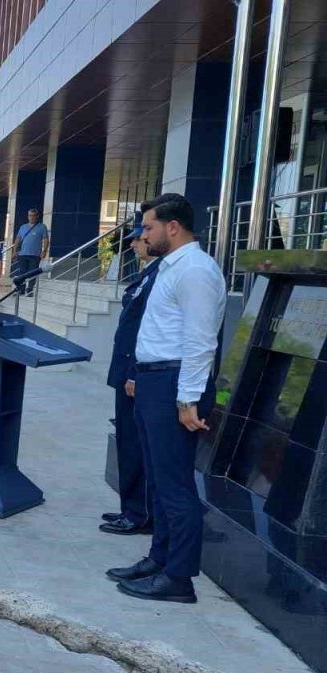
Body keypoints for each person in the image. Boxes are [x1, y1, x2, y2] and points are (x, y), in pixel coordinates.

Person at [107, 193, 225, 605]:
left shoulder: (195, 270)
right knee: (158, 480)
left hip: (176, 385)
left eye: (149, 227)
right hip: (155, 381)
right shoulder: (171, 267)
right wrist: (139, 376)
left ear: (172, 227)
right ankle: (159, 559)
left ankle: (179, 578)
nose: (143, 235)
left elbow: (200, 341)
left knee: (175, 486)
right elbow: (160, 330)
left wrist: (187, 398)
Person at [101, 220, 157, 536]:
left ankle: (140, 514)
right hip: (125, 369)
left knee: (136, 445)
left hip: (136, 372)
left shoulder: (160, 276)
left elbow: (147, 331)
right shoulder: (146, 275)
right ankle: (130, 507)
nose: (134, 244)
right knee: (126, 440)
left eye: (139, 238)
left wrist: (135, 372)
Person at [14, 208, 49, 296]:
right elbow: (18, 239)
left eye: (34, 216)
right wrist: (14, 251)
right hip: (23, 254)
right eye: (30, 216)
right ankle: (21, 290)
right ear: (28, 217)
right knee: (22, 273)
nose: (32, 217)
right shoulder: (23, 227)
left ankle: (30, 290)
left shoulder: (42, 227)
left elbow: (46, 239)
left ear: (37, 216)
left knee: (33, 273)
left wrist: (44, 251)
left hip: (35, 255)